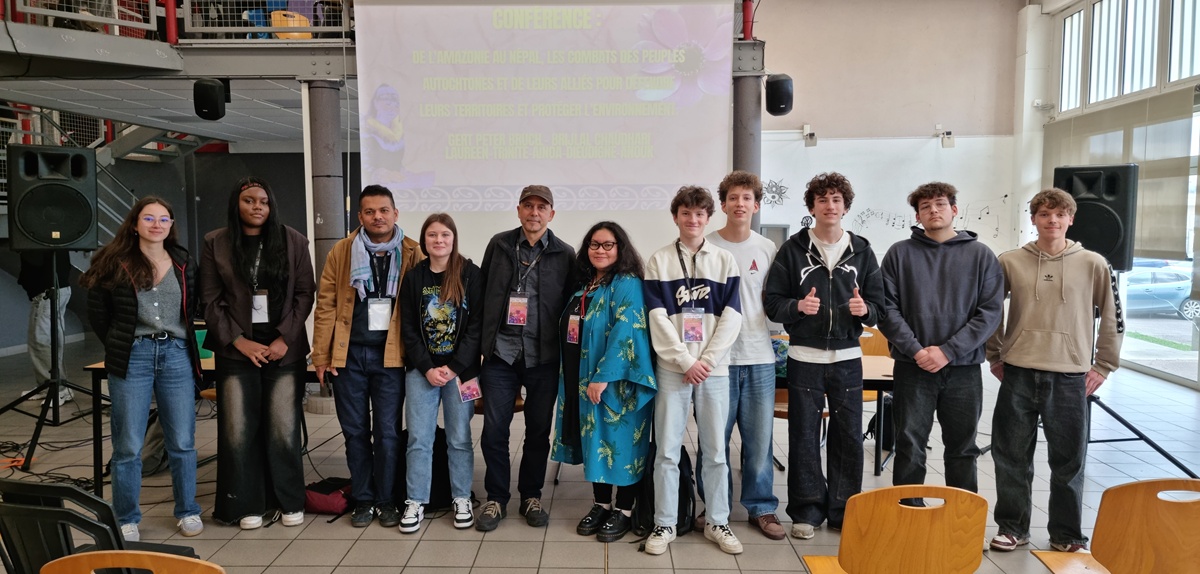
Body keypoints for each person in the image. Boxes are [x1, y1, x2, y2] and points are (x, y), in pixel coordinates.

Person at [987, 188, 1124, 554]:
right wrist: (994, 355)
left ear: (1070, 219)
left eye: (1059, 214)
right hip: (1017, 371)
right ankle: (1013, 527)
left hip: (1070, 377)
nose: (1052, 220)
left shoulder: (1093, 263)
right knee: (1011, 456)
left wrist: (1104, 365)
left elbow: (1114, 316)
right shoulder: (1010, 261)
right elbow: (988, 311)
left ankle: (1066, 535)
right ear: (1033, 219)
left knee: (1068, 461)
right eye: (1044, 214)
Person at [763, 172, 883, 539]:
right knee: (803, 436)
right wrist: (798, 306)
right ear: (811, 206)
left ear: (845, 206)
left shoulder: (862, 250)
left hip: (847, 358)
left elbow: (880, 307)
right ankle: (806, 510)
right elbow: (772, 304)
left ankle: (844, 509)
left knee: (848, 437)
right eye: (822, 199)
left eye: (836, 200)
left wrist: (866, 311)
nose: (829, 206)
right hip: (803, 358)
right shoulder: (793, 249)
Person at [80, 196, 204, 542]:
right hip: (132, 354)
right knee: (128, 444)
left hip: (176, 353)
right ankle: (126, 518)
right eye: (148, 218)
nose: (156, 225)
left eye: (163, 219)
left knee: (182, 439)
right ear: (135, 224)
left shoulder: (182, 261)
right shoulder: (113, 261)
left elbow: (192, 305)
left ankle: (188, 510)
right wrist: (119, 343)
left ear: (171, 225)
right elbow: (98, 312)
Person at [200, 177, 316, 530]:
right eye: (249, 200)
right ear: (237, 204)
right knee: (238, 430)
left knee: (282, 428)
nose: (257, 207)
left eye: (263, 201)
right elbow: (210, 299)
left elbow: (304, 293)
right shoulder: (215, 243)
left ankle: (287, 500)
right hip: (237, 352)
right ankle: (246, 503)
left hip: (284, 349)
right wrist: (237, 341)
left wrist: (284, 338)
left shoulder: (292, 240)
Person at [877, 182, 1003, 501]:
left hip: (963, 371)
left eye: (940, 204)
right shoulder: (899, 254)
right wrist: (918, 351)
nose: (933, 210)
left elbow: (990, 312)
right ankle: (908, 513)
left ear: (954, 210)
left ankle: (960, 519)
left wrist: (947, 352)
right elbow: (886, 309)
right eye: (925, 207)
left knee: (962, 448)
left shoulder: (981, 256)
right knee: (909, 446)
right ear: (918, 216)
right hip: (912, 367)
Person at [311, 185, 424, 528]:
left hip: (392, 356)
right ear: (359, 216)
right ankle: (363, 498)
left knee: (388, 432)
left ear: (395, 214)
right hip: (349, 356)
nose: (378, 217)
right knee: (355, 431)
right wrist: (320, 355)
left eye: (384, 210)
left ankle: (387, 499)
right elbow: (326, 305)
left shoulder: (412, 251)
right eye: (370, 211)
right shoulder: (342, 252)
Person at [643, 185, 744, 556]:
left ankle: (718, 520)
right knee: (667, 450)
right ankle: (665, 522)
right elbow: (655, 316)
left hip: (714, 371)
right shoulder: (659, 261)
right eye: (686, 213)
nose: (693, 219)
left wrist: (706, 361)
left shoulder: (724, 261)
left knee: (716, 450)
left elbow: (732, 317)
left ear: (708, 217)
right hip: (673, 369)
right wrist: (686, 361)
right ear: (676, 217)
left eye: (700, 214)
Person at [475, 185, 577, 531]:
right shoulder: (499, 245)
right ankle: (496, 498)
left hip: (544, 358)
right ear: (518, 210)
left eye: (542, 207)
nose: (534, 213)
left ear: (552, 214)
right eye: (528, 206)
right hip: (501, 354)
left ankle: (531, 495)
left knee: (537, 432)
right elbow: (483, 294)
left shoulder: (565, 254)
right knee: (494, 431)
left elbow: (572, 305)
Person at [551, 221, 656, 543]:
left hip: (616, 383)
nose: (600, 250)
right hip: (580, 380)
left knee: (621, 444)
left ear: (620, 249)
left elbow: (627, 333)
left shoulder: (627, 283)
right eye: (594, 245)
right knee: (596, 443)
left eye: (608, 245)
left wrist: (603, 378)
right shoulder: (585, 285)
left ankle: (623, 510)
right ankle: (601, 504)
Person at [699, 170, 783, 539]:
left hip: (759, 357)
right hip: (716, 360)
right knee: (712, 439)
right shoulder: (706, 245)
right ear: (723, 204)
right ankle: (712, 505)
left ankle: (761, 508)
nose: (739, 204)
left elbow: (774, 301)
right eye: (733, 197)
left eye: (746, 198)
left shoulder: (767, 249)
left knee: (760, 440)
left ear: (756, 205)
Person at [397, 213, 483, 533]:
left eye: (445, 235)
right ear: (424, 240)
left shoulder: (470, 273)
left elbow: (476, 327)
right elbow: (408, 328)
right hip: (423, 372)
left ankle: (461, 497)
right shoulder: (414, 277)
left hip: (461, 373)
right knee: (419, 438)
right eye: (432, 235)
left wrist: (454, 367)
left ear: (453, 238)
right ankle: (416, 500)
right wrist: (428, 368)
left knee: (460, 438)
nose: (439, 241)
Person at [18, 251, 75, 405]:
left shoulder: (42, 238)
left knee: (41, 341)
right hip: (51, 291)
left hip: (48, 292)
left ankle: (58, 389)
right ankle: (47, 386)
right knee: (46, 340)